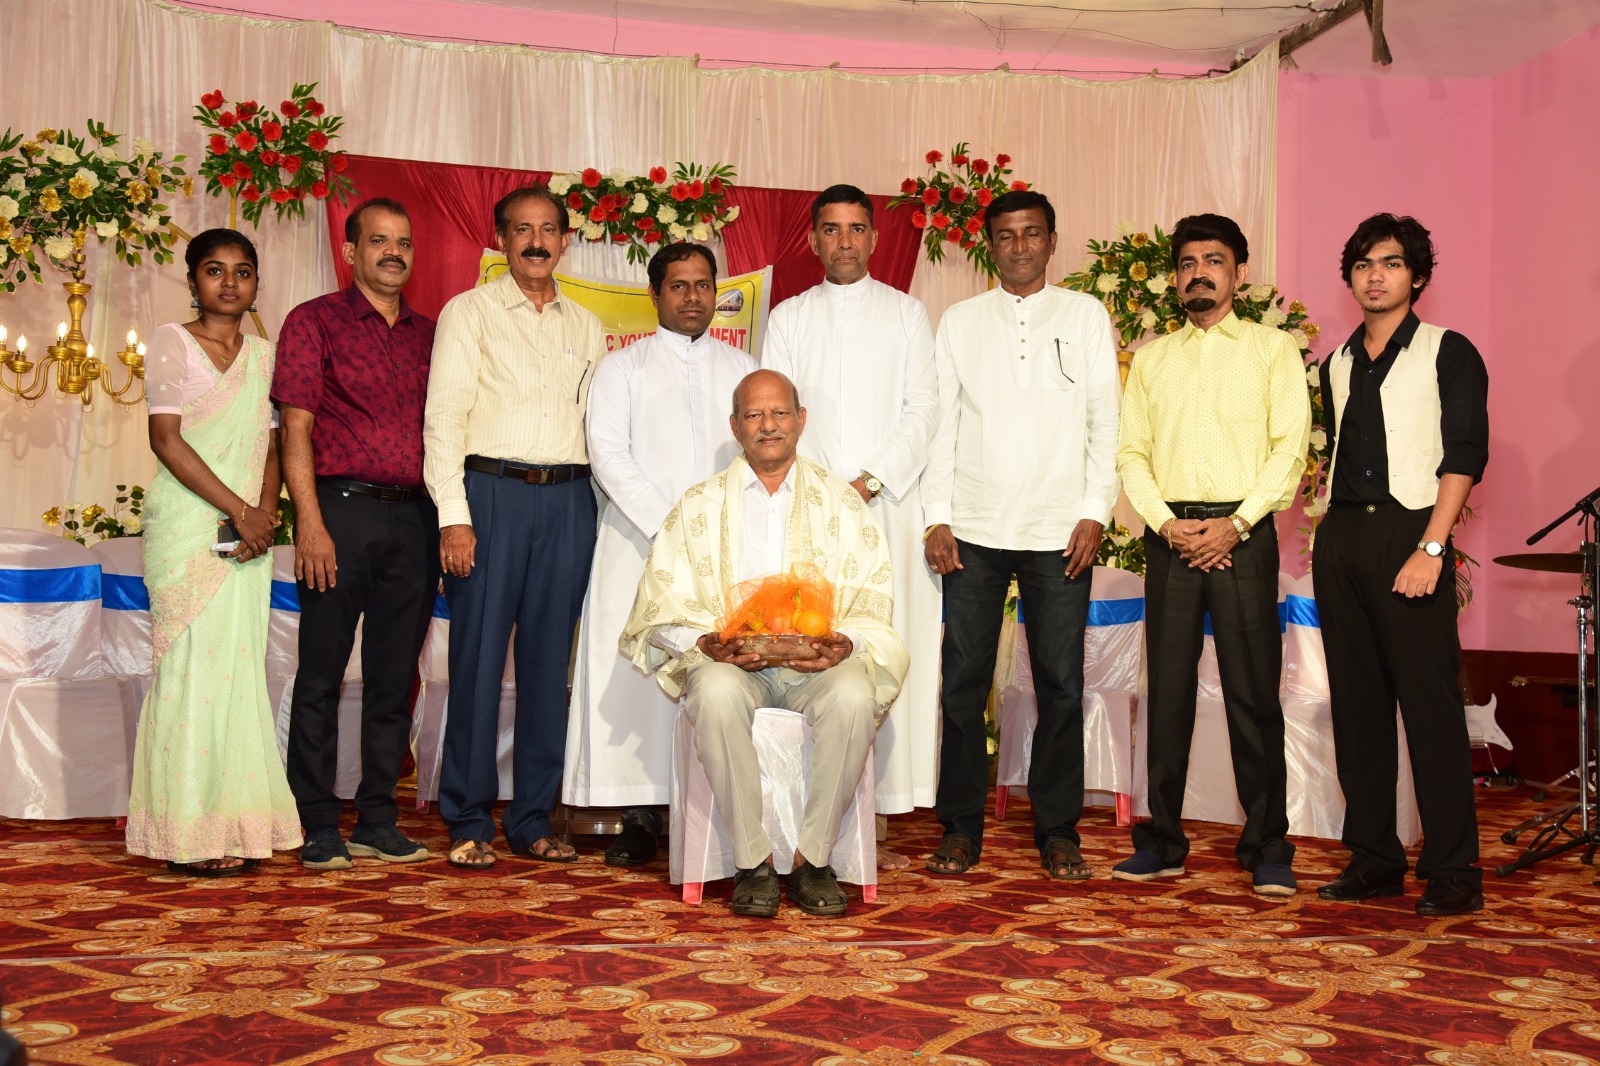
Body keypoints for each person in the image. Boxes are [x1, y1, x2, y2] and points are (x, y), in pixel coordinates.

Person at [619, 369, 908, 918]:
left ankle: (812, 860)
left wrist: (845, 643)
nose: (768, 425)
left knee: (854, 696)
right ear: (735, 427)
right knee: (714, 693)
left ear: (801, 421)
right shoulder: (698, 506)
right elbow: (657, 608)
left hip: (818, 666)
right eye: (754, 414)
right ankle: (753, 863)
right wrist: (707, 642)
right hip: (733, 665)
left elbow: (874, 595)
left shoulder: (842, 504)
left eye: (779, 413)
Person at [921, 189, 1122, 881]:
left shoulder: (1085, 315)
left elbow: (1105, 421)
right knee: (962, 683)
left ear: (1052, 240)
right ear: (989, 246)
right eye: (1005, 236)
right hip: (973, 528)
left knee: (1061, 685)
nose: (1019, 246)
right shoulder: (961, 320)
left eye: (1031, 233)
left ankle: (1058, 831)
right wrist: (937, 515)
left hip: (1060, 530)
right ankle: (960, 828)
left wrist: (1095, 510)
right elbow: (941, 424)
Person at [1113, 213, 1311, 897]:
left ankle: (1267, 846)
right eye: (1188, 263)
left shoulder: (1272, 351)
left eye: (1214, 261)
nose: (1200, 273)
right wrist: (1168, 524)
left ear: (1239, 273)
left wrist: (1238, 523)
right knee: (1166, 695)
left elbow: (1289, 448)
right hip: (1170, 537)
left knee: (1254, 695)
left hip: (1244, 537)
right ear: (1175, 278)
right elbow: (1131, 453)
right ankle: (1163, 842)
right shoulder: (1152, 359)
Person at [423, 185, 605, 870]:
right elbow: (444, 419)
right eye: (522, 229)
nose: (536, 241)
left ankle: (532, 819)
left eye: (549, 229)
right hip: (490, 497)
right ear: (501, 239)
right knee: (474, 663)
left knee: (548, 668)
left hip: (569, 502)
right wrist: (454, 517)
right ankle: (468, 819)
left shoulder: (586, 326)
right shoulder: (468, 313)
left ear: (565, 241)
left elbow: (595, 428)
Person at [1313, 214, 1488, 917]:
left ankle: (1453, 871)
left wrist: (1433, 547)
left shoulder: (1449, 351)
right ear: (1350, 278)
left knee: (1430, 708)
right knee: (1356, 709)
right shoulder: (1336, 362)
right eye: (1362, 264)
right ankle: (1375, 859)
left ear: (1417, 276)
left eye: (1390, 263)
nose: (1375, 275)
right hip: (1342, 536)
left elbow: (1464, 454)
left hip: (1412, 533)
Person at [762, 184, 940, 869]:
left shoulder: (906, 313)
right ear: (813, 240)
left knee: (886, 643)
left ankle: (882, 807)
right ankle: (803, 803)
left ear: (873, 238)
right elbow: (777, 408)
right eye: (831, 229)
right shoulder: (789, 316)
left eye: (856, 228)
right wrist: (820, 486)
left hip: (888, 504)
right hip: (807, 508)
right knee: (808, 649)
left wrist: (869, 480)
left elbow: (923, 409)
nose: (844, 241)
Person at [564, 242, 755, 866]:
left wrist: (718, 528)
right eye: (679, 286)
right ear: (655, 294)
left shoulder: (742, 367)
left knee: (716, 672)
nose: (693, 297)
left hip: (725, 549)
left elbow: (760, 452)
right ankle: (639, 815)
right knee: (637, 678)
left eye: (703, 286)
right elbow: (608, 454)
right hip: (638, 541)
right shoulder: (623, 368)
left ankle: (707, 809)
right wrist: (672, 526)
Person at [125, 228, 300, 876]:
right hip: (190, 526)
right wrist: (241, 511)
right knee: (191, 670)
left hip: (249, 532)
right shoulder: (172, 341)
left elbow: (276, 447)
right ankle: (186, 832)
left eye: (242, 271)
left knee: (237, 673)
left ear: (256, 283)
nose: (229, 282)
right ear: (194, 280)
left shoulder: (267, 356)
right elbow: (166, 440)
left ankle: (237, 825)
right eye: (215, 270)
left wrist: (265, 517)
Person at [273, 198, 439, 870]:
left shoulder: (432, 335)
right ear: (350, 251)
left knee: (393, 680)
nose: (393, 252)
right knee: (321, 673)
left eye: (403, 242)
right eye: (378, 240)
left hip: (417, 518)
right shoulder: (313, 321)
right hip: (339, 513)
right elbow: (295, 429)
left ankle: (377, 819)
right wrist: (308, 523)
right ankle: (316, 821)